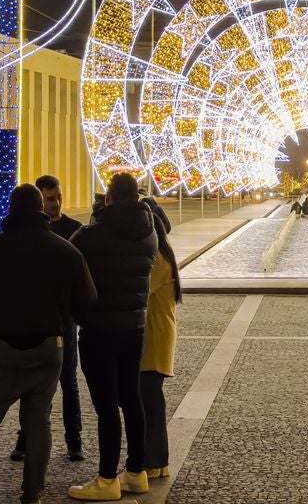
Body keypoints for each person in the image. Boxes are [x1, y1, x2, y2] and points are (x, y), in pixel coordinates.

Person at [0, 183, 99, 504]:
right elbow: (87, 300)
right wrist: (64, 318)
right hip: (48, 347)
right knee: (39, 422)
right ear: (40, 211)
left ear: (11, 210)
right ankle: (32, 493)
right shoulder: (65, 250)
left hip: (2, 349)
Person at [68, 171, 158, 500]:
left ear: (109, 196)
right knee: (130, 398)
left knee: (106, 405)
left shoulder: (93, 233)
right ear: (137, 196)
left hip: (100, 327)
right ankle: (136, 472)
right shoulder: (150, 233)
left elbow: (68, 263)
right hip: (134, 324)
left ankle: (107, 479)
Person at [13, 175, 86, 464]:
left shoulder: (75, 230)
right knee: (30, 381)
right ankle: (25, 438)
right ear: (39, 200)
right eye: (51, 198)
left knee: (68, 380)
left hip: (65, 318)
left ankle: (74, 440)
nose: (57, 204)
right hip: (34, 317)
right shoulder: (26, 233)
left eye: (59, 197)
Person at [138, 204, 182, 482]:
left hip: (154, 339)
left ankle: (155, 461)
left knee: (151, 402)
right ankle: (154, 460)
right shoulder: (162, 256)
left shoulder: (157, 262)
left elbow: (139, 289)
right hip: (155, 337)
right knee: (149, 400)